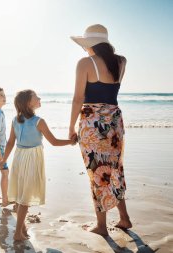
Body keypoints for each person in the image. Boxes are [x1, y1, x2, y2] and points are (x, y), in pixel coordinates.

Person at [69, 24, 132, 236]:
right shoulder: (121, 61)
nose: (84, 49)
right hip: (114, 122)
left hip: (92, 123)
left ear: (91, 44)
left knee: (97, 171)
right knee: (114, 168)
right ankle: (124, 218)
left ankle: (102, 226)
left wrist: (70, 127)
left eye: (85, 45)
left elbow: (79, 98)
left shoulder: (85, 63)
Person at [1, 89, 76, 241]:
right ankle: (17, 234)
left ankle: (22, 227)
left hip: (19, 157)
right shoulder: (38, 121)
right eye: (36, 97)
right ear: (29, 103)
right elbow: (54, 142)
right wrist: (71, 142)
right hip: (32, 158)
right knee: (26, 198)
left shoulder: (16, 120)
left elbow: (10, 143)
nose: (40, 98)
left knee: (21, 193)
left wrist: (4, 159)